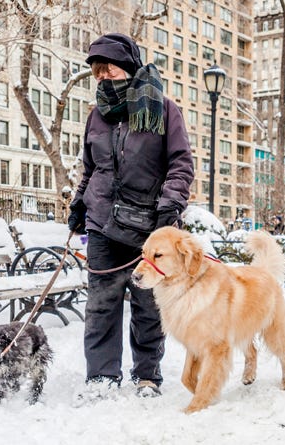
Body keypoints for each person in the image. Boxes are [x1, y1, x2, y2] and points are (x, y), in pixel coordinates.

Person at [68, 33, 194, 399]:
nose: (102, 77)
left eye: (107, 68)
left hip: (150, 229)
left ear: (128, 67)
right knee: (101, 305)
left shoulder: (164, 109)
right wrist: (80, 202)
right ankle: (102, 378)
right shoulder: (97, 116)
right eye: (96, 71)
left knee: (147, 306)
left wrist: (170, 205)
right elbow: (91, 169)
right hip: (103, 224)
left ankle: (147, 375)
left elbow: (181, 164)